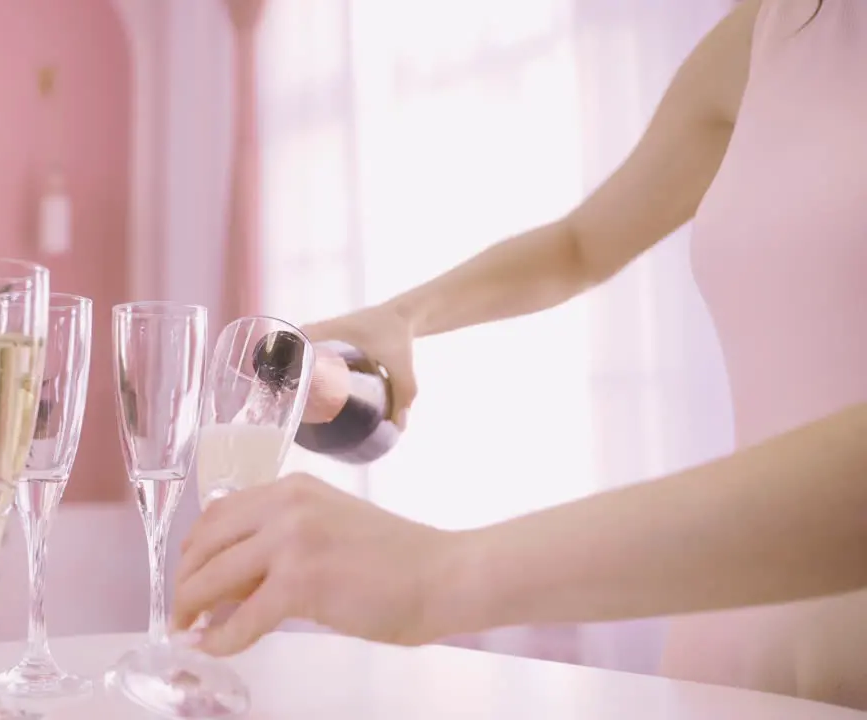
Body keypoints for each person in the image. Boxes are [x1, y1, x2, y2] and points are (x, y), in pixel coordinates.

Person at [172, 0, 867, 710]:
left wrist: (439, 574)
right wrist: (406, 315)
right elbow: (580, 245)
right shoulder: (768, 32)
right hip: (723, 657)